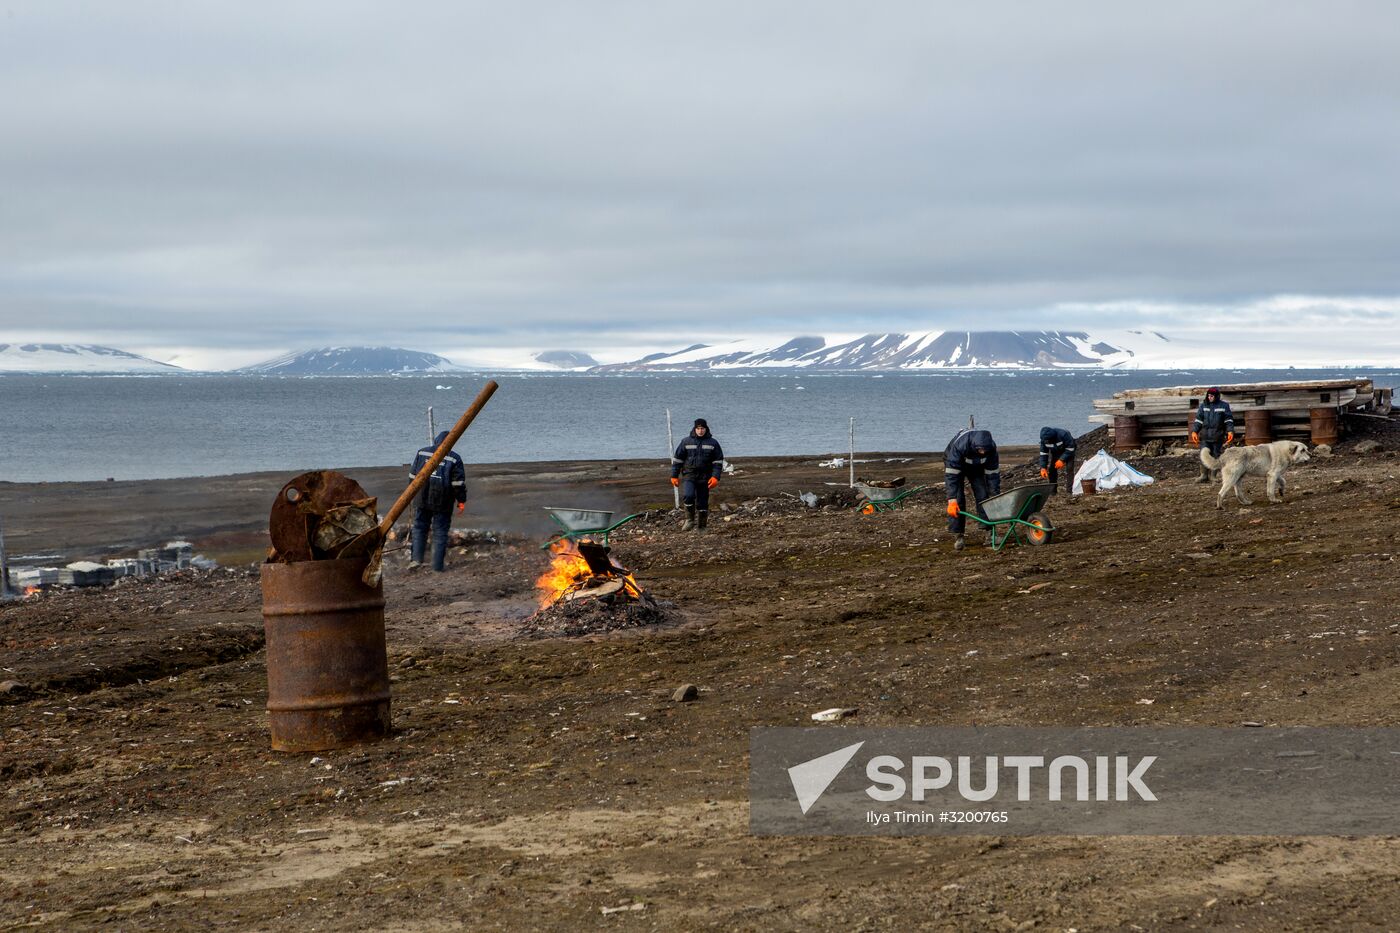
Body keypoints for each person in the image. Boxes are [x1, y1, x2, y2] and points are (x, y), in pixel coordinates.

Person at [408, 430, 467, 571]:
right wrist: (461, 500)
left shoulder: (422, 453)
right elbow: (458, 484)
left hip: (422, 497)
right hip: (443, 500)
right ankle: (437, 566)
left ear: (436, 440)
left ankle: (416, 561)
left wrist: (411, 494)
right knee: (440, 531)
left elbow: (412, 476)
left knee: (419, 528)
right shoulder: (454, 458)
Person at [945, 428, 1001, 551]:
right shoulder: (960, 446)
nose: (982, 452)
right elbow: (951, 475)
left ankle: (989, 533)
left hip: (976, 468)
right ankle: (958, 536)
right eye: (980, 450)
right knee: (957, 500)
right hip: (956, 467)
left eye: (985, 450)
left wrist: (995, 495)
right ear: (974, 445)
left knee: (984, 495)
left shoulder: (991, 449)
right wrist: (951, 499)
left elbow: (992, 474)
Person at [670, 418, 724, 532]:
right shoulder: (686, 442)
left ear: (706, 429)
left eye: (702, 428)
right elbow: (678, 459)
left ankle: (702, 526)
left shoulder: (713, 443)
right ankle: (689, 520)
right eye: (698, 428)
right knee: (688, 496)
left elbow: (718, 462)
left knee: (703, 501)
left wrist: (715, 477)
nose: (700, 431)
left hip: (705, 477)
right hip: (689, 475)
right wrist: (674, 475)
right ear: (695, 429)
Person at [1191, 387, 1235, 484]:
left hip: (1217, 436)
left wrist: (1230, 431)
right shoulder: (1203, 406)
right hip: (1205, 436)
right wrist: (1194, 431)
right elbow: (1198, 420)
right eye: (1208, 396)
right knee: (1204, 454)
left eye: (1212, 396)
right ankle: (1203, 475)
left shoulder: (1224, 406)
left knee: (1216, 455)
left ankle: (1213, 476)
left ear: (1216, 396)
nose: (1210, 397)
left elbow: (1228, 420)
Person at [1038, 426, 1077, 496]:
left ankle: (1069, 491)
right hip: (1056, 452)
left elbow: (1071, 448)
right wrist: (1043, 467)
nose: (1047, 442)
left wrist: (1062, 460)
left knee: (1069, 469)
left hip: (1068, 451)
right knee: (1052, 470)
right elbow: (1043, 454)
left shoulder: (1064, 434)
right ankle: (1053, 491)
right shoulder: (1044, 440)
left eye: (1048, 440)